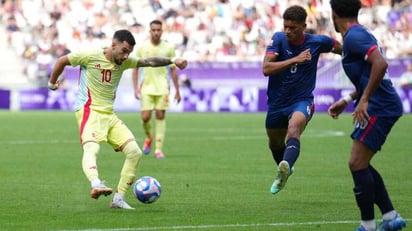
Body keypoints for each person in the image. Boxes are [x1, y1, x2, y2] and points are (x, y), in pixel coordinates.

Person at [48, 29, 187, 209]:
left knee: (135, 152)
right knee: (92, 147)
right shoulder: (90, 55)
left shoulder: (125, 61)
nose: (126, 55)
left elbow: (150, 62)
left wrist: (173, 60)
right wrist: (52, 83)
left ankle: (118, 199)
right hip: (89, 110)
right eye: (124, 50)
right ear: (113, 45)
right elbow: (62, 61)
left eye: (129, 52)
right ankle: (95, 183)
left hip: (109, 115)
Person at [328, 1, 406, 230]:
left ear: (333, 14)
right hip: (379, 103)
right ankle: (390, 217)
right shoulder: (358, 35)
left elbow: (380, 64)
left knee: (356, 162)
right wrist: (348, 100)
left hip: (380, 106)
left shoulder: (354, 37)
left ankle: (368, 225)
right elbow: (369, 73)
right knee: (361, 163)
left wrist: (364, 100)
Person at [262, 5, 342, 195]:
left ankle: (286, 165)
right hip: (277, 103)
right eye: (286, 27)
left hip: (302, 100)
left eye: (293, 28)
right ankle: (285, 168)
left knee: (294, 129)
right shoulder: (278, 39)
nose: (288, 31)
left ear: (304, 26)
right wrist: (294, 59)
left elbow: (340, 48)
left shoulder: (317, 42)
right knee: (274, 143)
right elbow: (266, 68)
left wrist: (356, 56)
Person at [132, 19, 181, 159]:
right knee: (145, 117)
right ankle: (149, 137)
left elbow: (173, 70)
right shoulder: (142, 47)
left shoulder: (168, 48)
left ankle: (158, 149)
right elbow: (135, 68)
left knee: (160, 115)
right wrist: (135, 87)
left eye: (158, 30)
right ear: (150, 31)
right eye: (153, 30)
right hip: (146, 86)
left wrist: (177, 90)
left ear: (162, 31)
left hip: (163, 87)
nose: (156, 33)